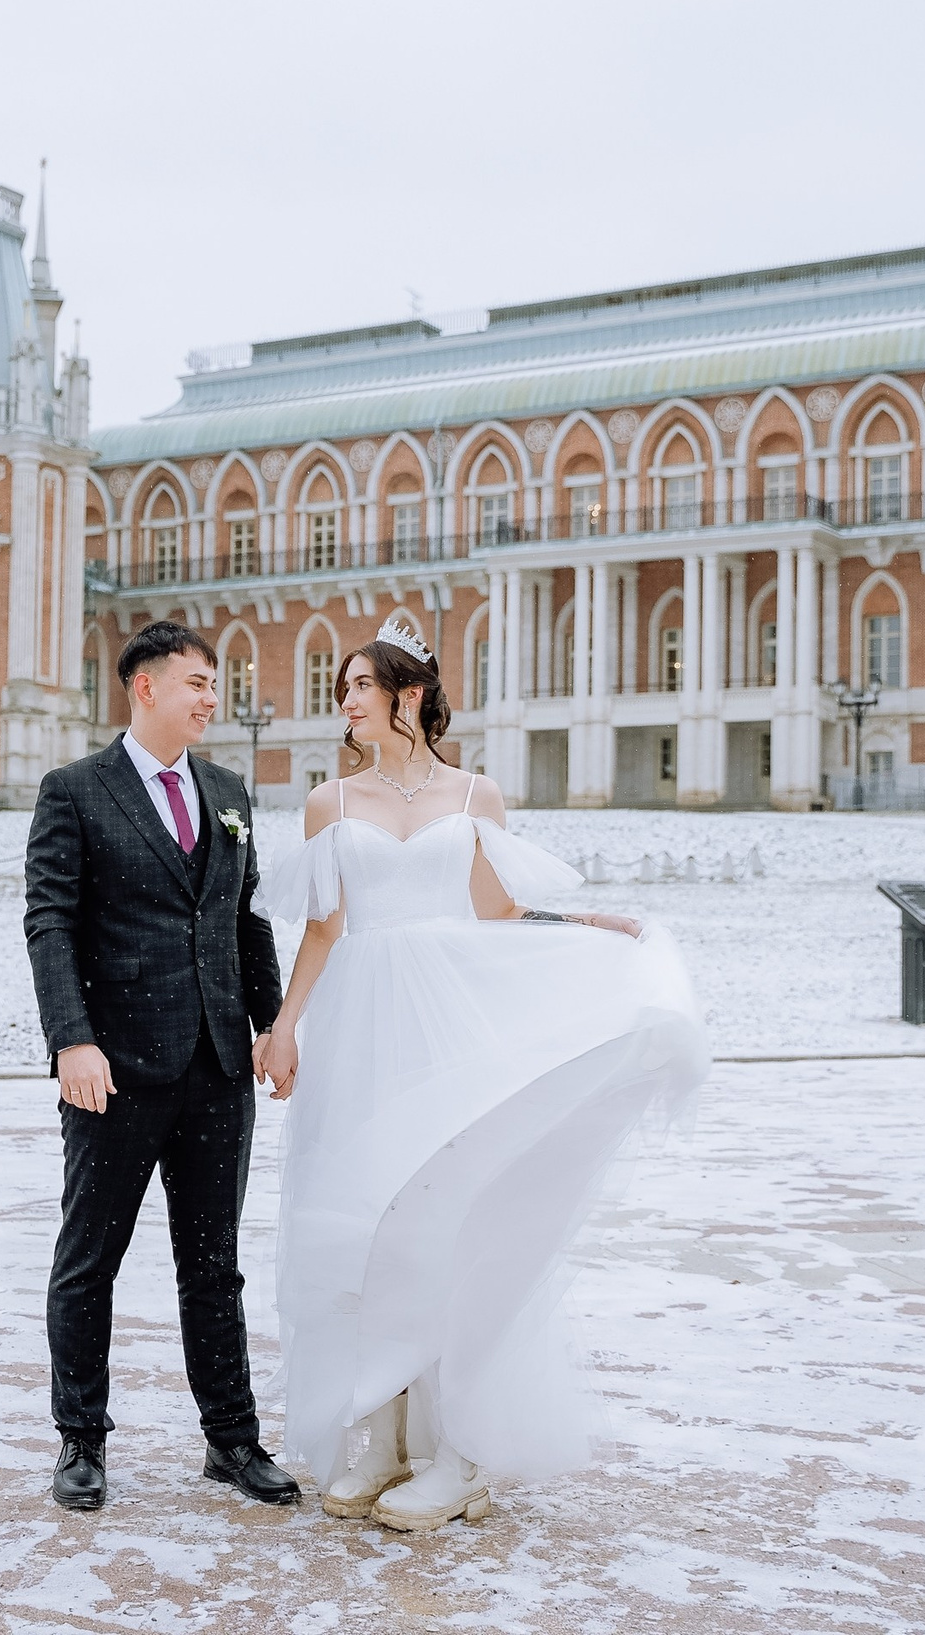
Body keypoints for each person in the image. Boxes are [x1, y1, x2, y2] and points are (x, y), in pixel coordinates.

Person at [254, 618, 707, 1533]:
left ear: (406, 696)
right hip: (360, 1030)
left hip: (448, 1026)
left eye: (356, 688)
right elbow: (323, 930)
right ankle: (378, 1439)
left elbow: (496, 912)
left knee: (446, 1224)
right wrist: (285, 1025)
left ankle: (456, 1454)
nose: (342, 704)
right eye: (340, 689)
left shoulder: (476, 796)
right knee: (363, 1228)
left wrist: (581, 926)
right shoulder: (328, 804)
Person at [22, 621, 297, 1512]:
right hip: (114, 1069)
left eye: (214, 683)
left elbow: (243, 919)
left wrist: (271, 1021)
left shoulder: (227, 791)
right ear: (145, 689)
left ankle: (232, 1438)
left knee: (214, 1264)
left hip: (218, 1066)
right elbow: (51, 922)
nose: (211, 697)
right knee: (89, 1260)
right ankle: (81, 1441)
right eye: (197, 682)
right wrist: (72, 1038)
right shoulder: (75, 791)